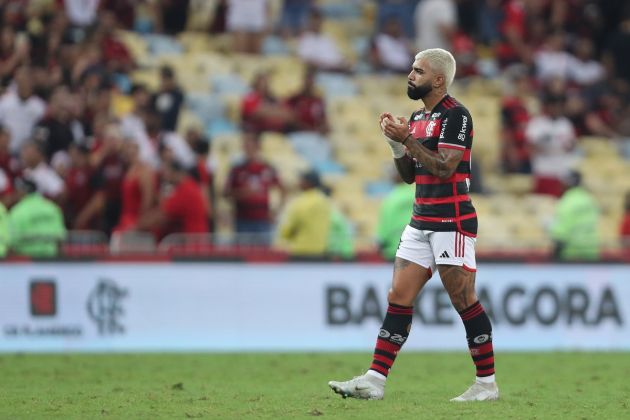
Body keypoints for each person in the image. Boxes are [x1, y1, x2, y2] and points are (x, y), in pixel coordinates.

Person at [328, 48, 498, 402]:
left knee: (464, 300)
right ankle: (374, 380)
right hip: (420, 220)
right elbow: (411, 175)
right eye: (411, 69)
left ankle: (486, 384)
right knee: (398, 297)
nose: (410, 75)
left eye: (418, 71)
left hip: (452, 220)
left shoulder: (457, 116)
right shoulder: (417, 117)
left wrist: (407, 140)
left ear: (438, 80)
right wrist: (395, 146)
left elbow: (444, 167)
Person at [224, 131, 284, 244]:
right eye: (245, 146)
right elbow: (226, 194)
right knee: (242, 255)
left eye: (250, 145)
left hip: (263, 220)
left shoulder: (267, 168)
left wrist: (276, 211)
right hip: (242, 220)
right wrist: (242, 193)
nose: (247, 149)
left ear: (258, 147)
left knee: (263, 257)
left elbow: (282, 189)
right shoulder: (237, 170)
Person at [138, 160, 208, 236]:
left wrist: (138, 225)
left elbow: (160, 217)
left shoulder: (185, 191)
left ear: (174, 172)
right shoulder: (190, 186)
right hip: (196, 239)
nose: (164, 176)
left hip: (192, 243)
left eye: (166, 172)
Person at [276, 170, 332, 256]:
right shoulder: (324, 200)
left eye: (301, 180)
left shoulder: (301, 202)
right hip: (321, 249)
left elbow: (290, 227)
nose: (299, 182)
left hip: (302, 250)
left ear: (308, 183)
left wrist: (284, 236)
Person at [9, 176, 66, 258]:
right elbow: (60, 240)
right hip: (51, 261)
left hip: (25, 262)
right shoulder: (53, 208)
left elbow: (11, 242)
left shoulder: (16, 212)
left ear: (22, 191)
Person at [550, 171, 600, 261]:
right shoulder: (590, 199)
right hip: (591, 251)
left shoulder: (567, 202)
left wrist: (554, 255)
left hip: (571, 254)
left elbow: (561, 232)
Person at [375, 171, 415, 260]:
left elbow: (384, 225)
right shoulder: (417, 195)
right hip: (416, 248)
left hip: (394, 249)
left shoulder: (390, 199)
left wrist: (381, 242)